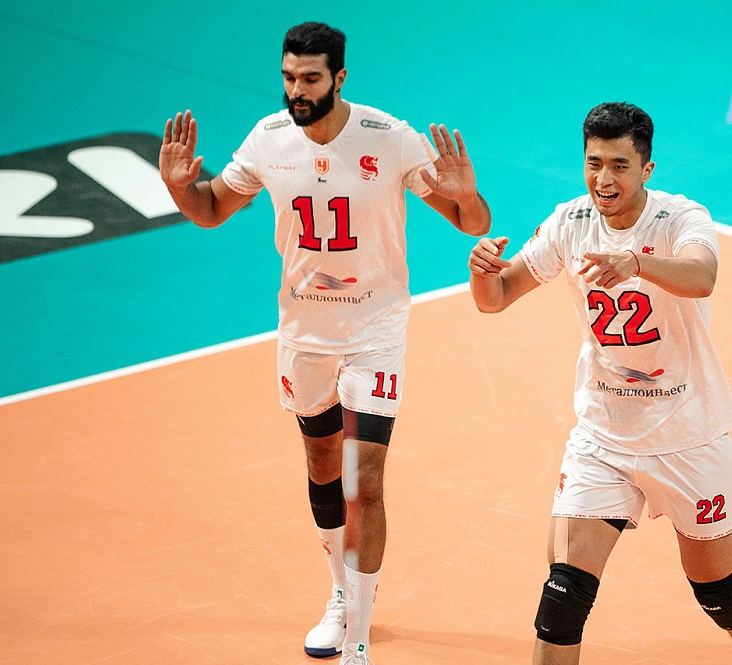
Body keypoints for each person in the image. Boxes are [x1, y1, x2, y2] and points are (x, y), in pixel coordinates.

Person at [159, 22, 490, 665]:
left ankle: (358, 639)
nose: (297, 91)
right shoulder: (268, 138)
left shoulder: (389, 138)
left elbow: (471, 222)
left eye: (310, 78)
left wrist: (466, 194)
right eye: (289, 78)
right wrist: (179, 188)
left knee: (365, 482)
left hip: (373, 331)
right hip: (305, 333)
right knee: (322, 465)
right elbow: (211, 209)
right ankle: (340, 594)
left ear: (340, 77)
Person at [467, 102, 732, 665]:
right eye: (594, 163)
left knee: (719, 593)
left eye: (619, 165)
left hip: (688, 435)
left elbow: (702, 276)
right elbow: (497, 298)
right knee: (563, 595)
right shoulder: (570, 222)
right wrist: (482, 274)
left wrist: (635, 263)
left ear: (646, 169)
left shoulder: (680, 218)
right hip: (604, 437)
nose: (603, 180)